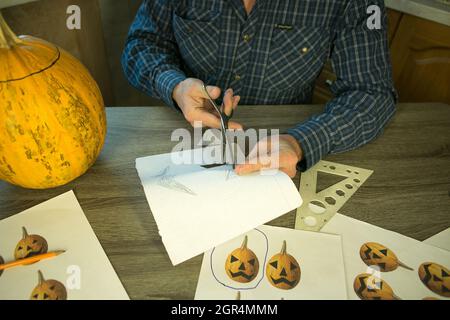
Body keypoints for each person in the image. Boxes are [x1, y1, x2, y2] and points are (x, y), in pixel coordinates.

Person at [122, 0, 396, 177]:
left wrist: (301, 142)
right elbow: (142, 44)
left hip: (284, 145)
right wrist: (175, 86)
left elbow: (371, 92)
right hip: (183, 134)